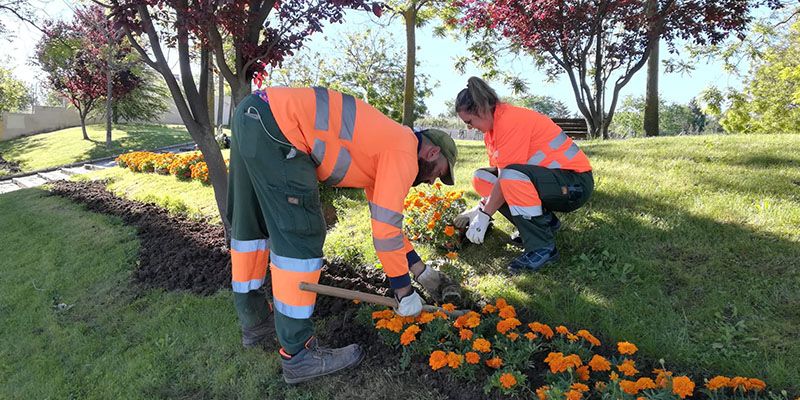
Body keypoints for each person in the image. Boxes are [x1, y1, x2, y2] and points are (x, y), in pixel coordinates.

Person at [227, 86, 458, 384]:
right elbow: (386, 234)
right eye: (437, 172)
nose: (429, 181)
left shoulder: (389, 145)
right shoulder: (403, 153)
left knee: (251, 229)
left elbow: (387, 225)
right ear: (432, 152)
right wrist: (403, 291)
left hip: (255, 114)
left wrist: (419, 270)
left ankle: (255, 320)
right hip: (282, 129)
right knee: (301, 237)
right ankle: (299, 354)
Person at [452, 77, 593, 274]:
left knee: (510, 177)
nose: (469, 127)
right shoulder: (492, 132)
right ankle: (546, 224)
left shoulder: (510, 121)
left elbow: (507, 178)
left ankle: (542, 248)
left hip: (574, 184)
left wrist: (484, 215)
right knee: (482, 178)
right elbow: (498, 182)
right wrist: (477, 210)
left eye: (469, 121)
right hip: (552, 182)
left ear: (481, 110)